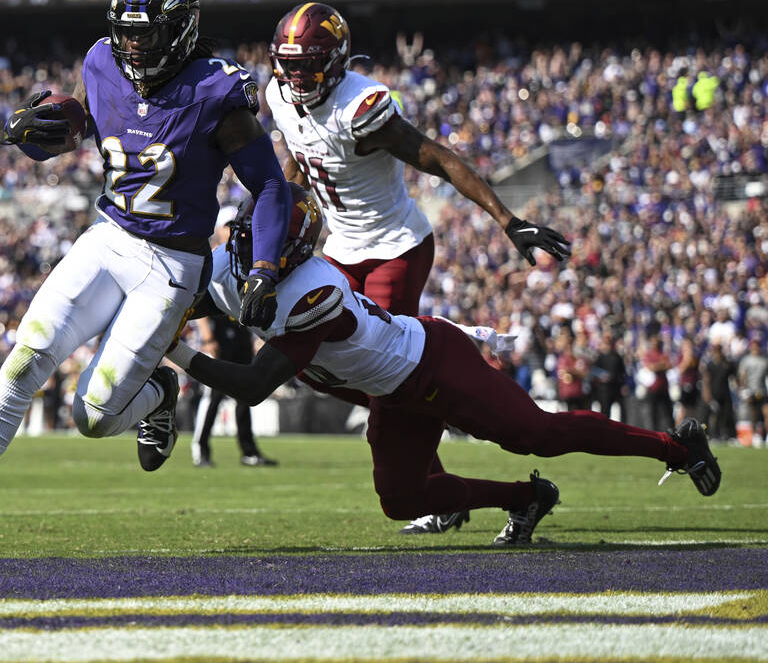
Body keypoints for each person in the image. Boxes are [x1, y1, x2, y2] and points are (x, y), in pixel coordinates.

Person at [0, 0, 292, 554]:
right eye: (125, 33)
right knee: (25, 359)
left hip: (172, 266)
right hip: (109, 238)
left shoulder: (217, 91)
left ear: (178, 32)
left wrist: (264, 270)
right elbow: (85, 117)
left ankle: (157, 394)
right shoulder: (102, 61)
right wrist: (50, 127)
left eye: (145, 34)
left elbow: (271, 186)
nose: (131, 46)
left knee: (93, 416)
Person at [165, 185, 722, 544]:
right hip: (393, 392)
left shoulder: (314, 292)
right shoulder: (227, 266)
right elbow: (181, 293)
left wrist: (175, 350)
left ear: (295, 255)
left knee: (538, 433)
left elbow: (253, 385)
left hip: (433, 365)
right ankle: (525, 499)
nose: (251, 252)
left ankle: (676, 446)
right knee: (401, 500)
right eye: (248, 236)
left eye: (266, 243)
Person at [263, 2, 571, 534]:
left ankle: (447, 413)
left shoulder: (361, 105)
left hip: (394, 247)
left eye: (307, 65)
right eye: (287, 64)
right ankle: (435, 408)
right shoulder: (279, 96)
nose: (295, 77)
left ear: (334, 63)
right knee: (314, 359)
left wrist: (506, 219)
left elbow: (439, 158)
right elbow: (295, 157)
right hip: (341, 248)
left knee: (384, 372)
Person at [192, 313, 278, 467]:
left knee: (245, 395)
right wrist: (207, 337)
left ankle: (249, 452)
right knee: (213, 396)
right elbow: (202, 304)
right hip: (220, 334)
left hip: (240, 332)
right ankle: (201, 449)